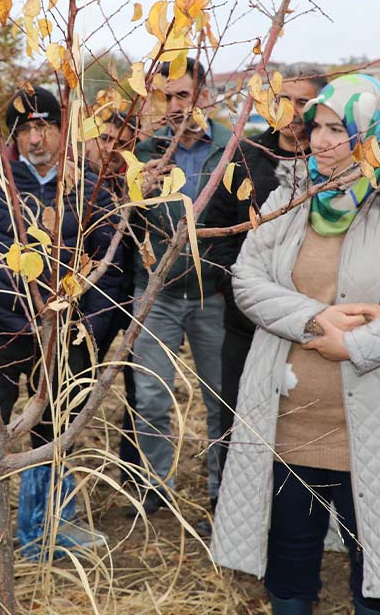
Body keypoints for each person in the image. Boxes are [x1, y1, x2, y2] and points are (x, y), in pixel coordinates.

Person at [211, 74, 380, 615]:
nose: (322, 141)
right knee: (290, 561)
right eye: (316, 128)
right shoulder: (288, 197)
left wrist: (359, 345)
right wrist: (313, 318)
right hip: (289, 421)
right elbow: (247, 281)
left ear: (377, 134)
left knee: (377, 566)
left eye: (338, 129)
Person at [0, 85, 122, 575]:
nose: (36, 139)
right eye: (25, 129)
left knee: (56, 433)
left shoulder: (88, 185)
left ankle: (44, 531)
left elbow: (109, 265)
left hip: (67, 333)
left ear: (63, 129)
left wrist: (90, 330)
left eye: (45, 126)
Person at [202, 64, 327, 479]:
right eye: (283, 101)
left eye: (303, 102)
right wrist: (233, 285)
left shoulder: (334, 162)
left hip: (315, 321)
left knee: (305, 421)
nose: (292, 113)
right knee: (237, 416)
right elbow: (214, 229)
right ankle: (229, 500)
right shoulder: (245, 156)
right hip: (246, 320)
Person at [128, 57, 235, 520]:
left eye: (183, 95)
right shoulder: (146, 151)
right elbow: (120, 228)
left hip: (213, 296)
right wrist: (138, 192)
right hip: (158, 295)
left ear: (203, 97)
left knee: (220, 399)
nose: (173, 105)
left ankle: (222, 490)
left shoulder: (231, 148)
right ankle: (155, 486)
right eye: (166, 96)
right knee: (151, 398)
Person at [82, 111, 146, 478]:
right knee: (76, 381)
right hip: (92, 300)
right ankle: (59, 462)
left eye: (122, 144)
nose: (111, 150)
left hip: (134, 295)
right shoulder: (75, 184)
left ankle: (133, 471)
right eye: (105, 140)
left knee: (140, 387)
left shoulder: (140, 184)